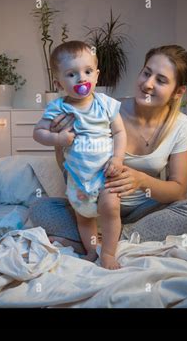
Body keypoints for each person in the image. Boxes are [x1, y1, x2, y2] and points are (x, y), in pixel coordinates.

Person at [30, 44, 187, 262]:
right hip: (96, 203)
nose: (147, 84)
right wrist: (59, 139)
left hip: (142, 211)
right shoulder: (104, 110)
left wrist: (141, 180)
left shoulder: (181, 125)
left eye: (161, 80)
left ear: (179, 92)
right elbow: (71, 166)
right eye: (146, 73)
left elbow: (177, 191)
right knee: (40, 208)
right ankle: (101, 236)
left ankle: (111, 239)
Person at [33, 41, 127, 269]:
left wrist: (117, 159)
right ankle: (91, 250)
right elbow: (38, 133)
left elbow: (120, 132)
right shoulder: (58, 108)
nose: (81, 78)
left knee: (111, 209)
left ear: (96, 75)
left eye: (87, 72)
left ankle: (108, 254)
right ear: (59, 83)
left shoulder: (105, 104)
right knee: (84, 218)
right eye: (72, 74)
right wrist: (58, 139)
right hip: (77, 179)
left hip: (106, 174)